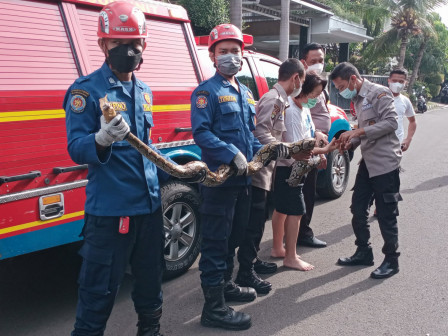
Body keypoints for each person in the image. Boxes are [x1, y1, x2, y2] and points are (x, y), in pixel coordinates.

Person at [64, 3, 202, 335]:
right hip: (111, 213)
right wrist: (100, 140)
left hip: (150, 209)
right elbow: (75, 148)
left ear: (144, 46)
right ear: (103, 45)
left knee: (150, 285)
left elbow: (146, 150)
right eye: (117, 44)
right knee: (97, 294)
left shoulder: (143, 92)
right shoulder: (86, 91)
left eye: (135, 44)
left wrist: (178, 171)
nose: (128, 51)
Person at [190, 24, 270, 331]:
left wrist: (266, 150)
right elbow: (201, 132)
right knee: (215, 244)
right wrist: (229, 153)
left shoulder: (244, 92)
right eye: (223, 52)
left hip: (243, 182)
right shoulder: (206, 92)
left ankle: (225, 287)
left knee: (234, 239)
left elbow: (248, 135)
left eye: (235, 51)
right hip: (219, 183)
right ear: (212, 56)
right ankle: (213, 309)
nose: (230, 57)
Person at [235, 59, 304, 293]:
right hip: (258, 170)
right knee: (253, 224)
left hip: (266, 168)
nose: (300, 86)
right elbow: (260, 130)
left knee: (257, 220)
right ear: (295, 78)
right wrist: (280, 147)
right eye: (301, 81)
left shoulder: (280, 99)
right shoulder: (274, 100)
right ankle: (246, 272)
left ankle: (252, 261)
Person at [330, 62, 402, 279]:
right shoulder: (357, 99)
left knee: (386, 214)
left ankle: (392, 260)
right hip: (368, 162)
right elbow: (365, 132)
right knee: (357, 208)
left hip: (385, 164)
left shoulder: (378, 93)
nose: (341, 91)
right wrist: (350, 142)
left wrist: (358, 131)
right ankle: (364, 251)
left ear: (353, 79)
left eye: (342, 86)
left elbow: (391, 123)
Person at [271, 73, 337, 270]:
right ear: (304, 90)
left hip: (297, 167)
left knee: (282, 209)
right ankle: (290, 257)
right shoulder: (291, 112)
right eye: (315, 94)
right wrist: (324, 151)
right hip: (290, 168)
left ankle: (277, 248)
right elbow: (297, 147)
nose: (317, 99)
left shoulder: (303, 109)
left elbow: (308, 134)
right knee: (296, 211)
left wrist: (318, 142)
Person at [298, 42, 331, 248]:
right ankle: (302, 233)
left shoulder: (317, 84)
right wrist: (316, 134)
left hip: (316, 146)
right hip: (306, 147)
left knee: (308, 192)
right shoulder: (300, 87)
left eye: (321, 60)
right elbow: (300, 116)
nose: (318, 64)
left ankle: (301, 231)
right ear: (304, 62)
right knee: (305, 193)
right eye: (313, 61)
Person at [388, 68, 417, 151]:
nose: (397, 84)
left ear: (405, 83)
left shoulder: (405, 101)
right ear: (389, 81)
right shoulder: (378, 98)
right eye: (394, 81)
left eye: (401, 81)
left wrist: (408, 139)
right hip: (376, 144)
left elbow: (413, 121)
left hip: (396, 145)